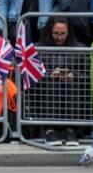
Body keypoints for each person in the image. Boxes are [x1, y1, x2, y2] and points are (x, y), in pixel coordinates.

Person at [34, 18, 88, 146]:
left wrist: (73, 76)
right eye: (55, 33)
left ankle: (71, 129)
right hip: (46, 90)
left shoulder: (80, 49)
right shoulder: (38, 48)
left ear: (69, 32)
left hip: (72, 90)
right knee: (53, 83)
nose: (59, 37)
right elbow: (31, 74)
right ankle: (49, 130)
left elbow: (87, 74)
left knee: (71, 84)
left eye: (63, 33)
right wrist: (48, 75)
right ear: (49, 32)